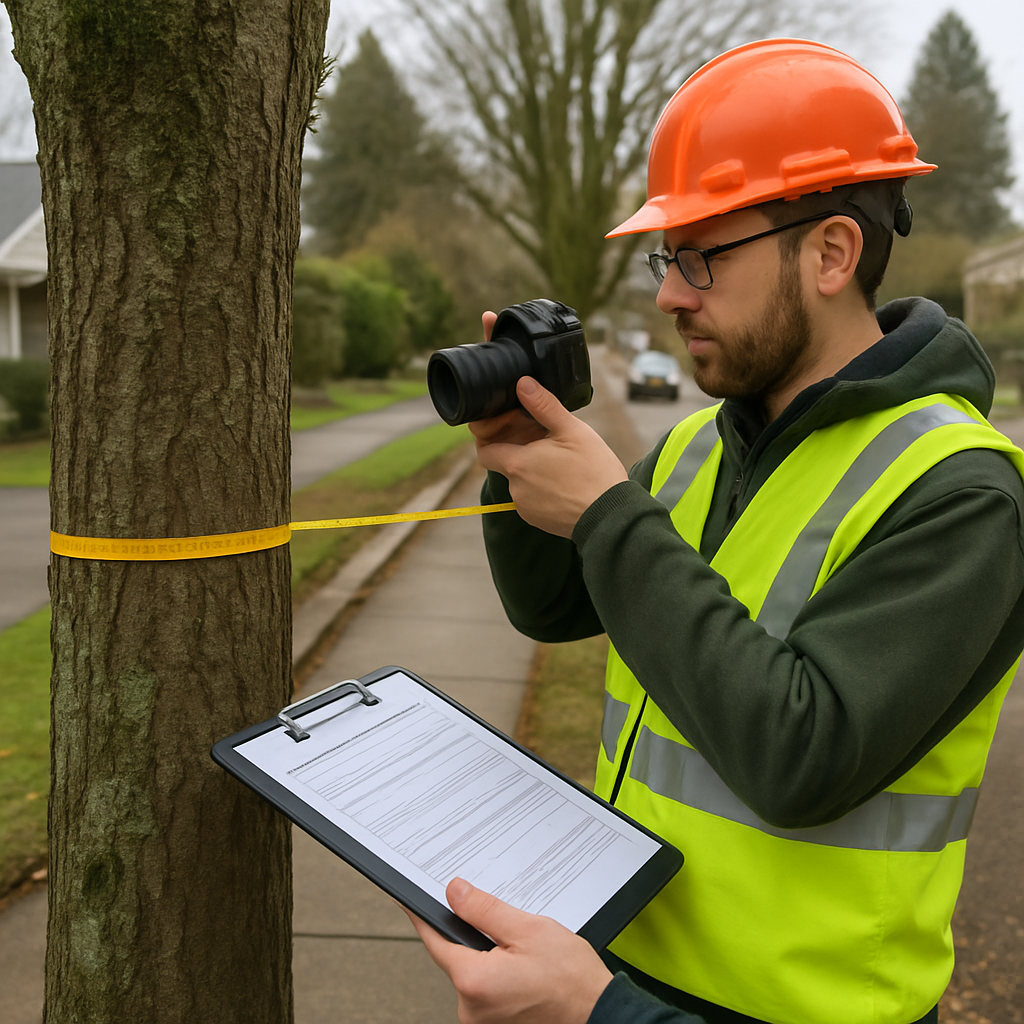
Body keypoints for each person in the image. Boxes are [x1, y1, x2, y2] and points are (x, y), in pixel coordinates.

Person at [411, 38, 1024, 1024]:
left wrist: (611, 514)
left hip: (804, 1006)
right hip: (621, 959)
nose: (667, 295)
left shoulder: (958, 488)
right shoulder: (701, 444)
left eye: (700, 256)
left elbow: (802, 752)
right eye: (668, 257)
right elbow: (552, 601)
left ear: (830, 252)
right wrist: (517, 453)